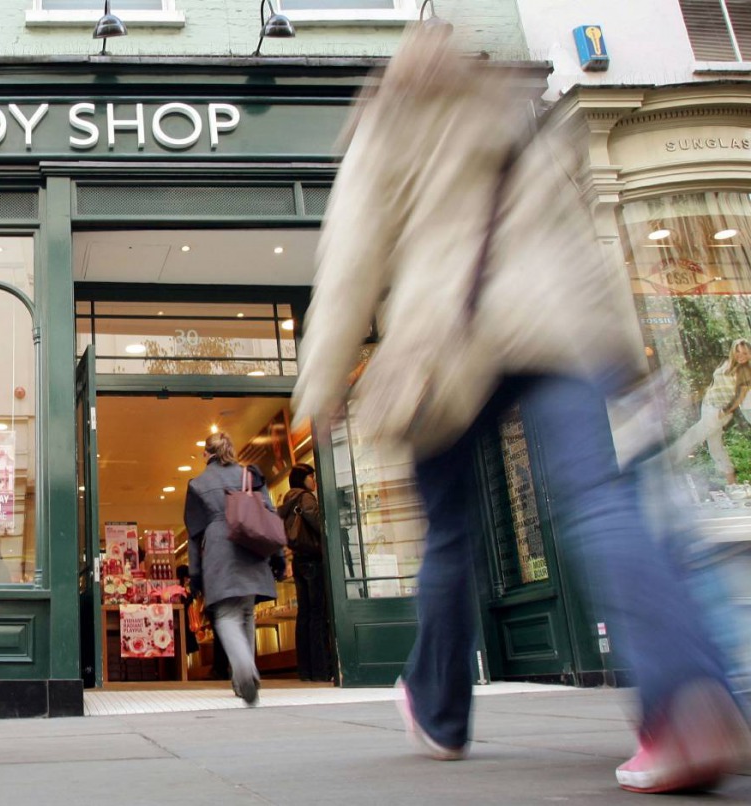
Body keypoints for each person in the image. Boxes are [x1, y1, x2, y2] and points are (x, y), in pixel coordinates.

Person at [290, 19, 751, 795]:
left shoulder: (389, 123)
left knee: (450, 536)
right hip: (558, 332)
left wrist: (320, 384)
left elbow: (350, 258)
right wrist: (622, 356)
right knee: (602, 504)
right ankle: (685, 704)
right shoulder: (513, 112)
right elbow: (578, 244)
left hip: (447, 345)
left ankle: (438, 711)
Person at [184, 431, 286, 705]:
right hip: (252, 547)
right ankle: (245, 676)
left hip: (219, 550)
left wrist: (195, 574)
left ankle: (243, 670)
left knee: (227, 616)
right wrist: (278, 557)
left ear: (206, 454)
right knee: (246, 613)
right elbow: (269, 516)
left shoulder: (197, 484)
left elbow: (194, 535)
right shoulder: (249, 475)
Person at [671, 338, 751, 485]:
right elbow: (715, 383)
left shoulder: (745, 371)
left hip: (720, 410)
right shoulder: (726, 363)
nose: (741, 356)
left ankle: (670, 464)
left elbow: (740, 397)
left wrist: (725, 411)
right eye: (738, 352)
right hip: (708, 405)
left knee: (694, 435)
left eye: (745, 353)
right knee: (714, 446)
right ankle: (731, 482)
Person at [280, 463, 331, 682]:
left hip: (299, 559)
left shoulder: (288, 498)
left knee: (305, 615)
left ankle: (306, 668)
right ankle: (321, 669)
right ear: (304, 478)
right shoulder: (306, 497)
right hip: (313, 559)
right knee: (318, 614)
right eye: (312, 476)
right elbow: (319, 523)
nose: (314, 480)